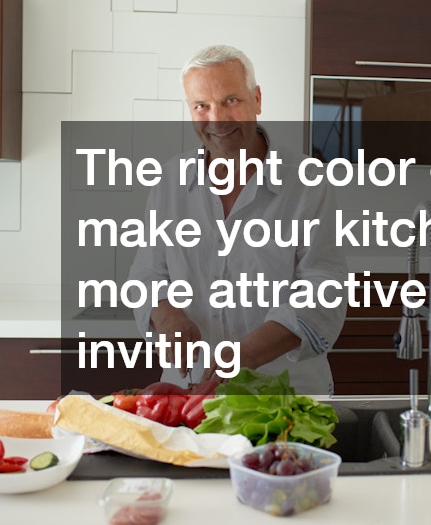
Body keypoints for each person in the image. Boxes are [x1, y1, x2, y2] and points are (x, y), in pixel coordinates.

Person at [129, 45, 347, 395]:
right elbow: (147, 274)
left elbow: (323, 291)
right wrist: (168, 315)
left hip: (285, 395)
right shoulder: (169, 181)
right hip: (190, 392)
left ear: (257, 99)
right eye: (201, 106)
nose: (217, 120)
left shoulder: (309, 183)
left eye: (231, 101)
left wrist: (244, 355)